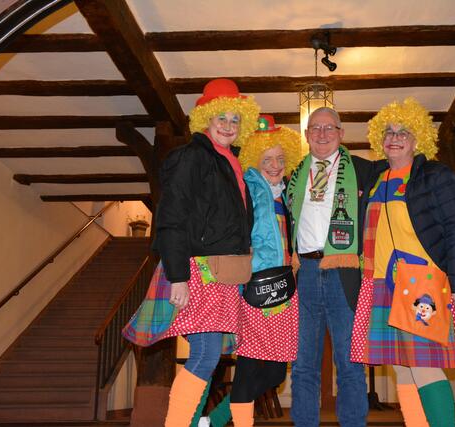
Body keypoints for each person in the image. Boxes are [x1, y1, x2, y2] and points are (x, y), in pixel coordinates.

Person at [122, 78, 260, 427]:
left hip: (223, 272)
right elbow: (171, 218)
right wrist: (178, 276)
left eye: (235, 119)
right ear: (206, 120)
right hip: (198, 270)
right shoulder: (192, 157)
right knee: (205, 355)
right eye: (221, 118)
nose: (228, 125)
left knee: (207, 356)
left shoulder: (230, 162)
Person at [350, 98, 455, 427]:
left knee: (424, 366)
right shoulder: (376, 180)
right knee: (401, 367)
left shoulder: (434, 175)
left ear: (418, 139)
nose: (394, 138)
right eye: (388, 132)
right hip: (381, 283)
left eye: (403, 132)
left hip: (422, 282)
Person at [197, 114, 302, 427]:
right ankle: (219, 421)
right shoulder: (247, 188)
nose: (275, 165)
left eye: (280, 158)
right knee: (249, 366)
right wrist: (243, 252)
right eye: (267, 159)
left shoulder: (289, 193)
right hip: (253, 286)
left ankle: (213, 420)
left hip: (284, 288)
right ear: (255, 160)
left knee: (275, 372)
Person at [286, 107, 378, 427]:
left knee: (351, 363)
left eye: (329, 128)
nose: (322, 134)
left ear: (341, 133)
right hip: (304, 273)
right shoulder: (292, 176)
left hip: (345, 273)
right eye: (315, 128)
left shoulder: (365, 171)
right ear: (306, 134)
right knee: (303, 366)